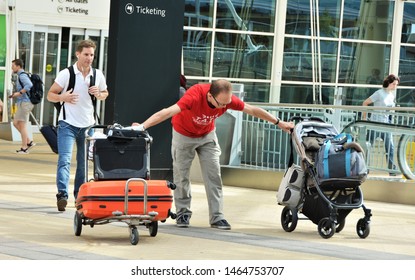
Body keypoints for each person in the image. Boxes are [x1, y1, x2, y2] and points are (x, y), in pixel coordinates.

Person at [132, 79, 294, 230]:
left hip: (207, 136)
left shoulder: (227, 99)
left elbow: (252, 110)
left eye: (227, 103)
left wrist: (280, 123)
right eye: (221, 104)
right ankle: (183, 214)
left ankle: (217, 217)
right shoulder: (194, 96)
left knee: (214, 175)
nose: (224, 107)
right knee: (181, 176)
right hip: (184, 135)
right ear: (210, 96)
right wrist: (143, 127)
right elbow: (167, 112)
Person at [47, 39, 109, 211]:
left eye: (92, 55)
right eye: (86, 54)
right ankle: (62, 195)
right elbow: (50, 94)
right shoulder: (67, 74)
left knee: (83, 163)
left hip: (88, 126)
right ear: (78, 54)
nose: (89, 58)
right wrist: (62, 97)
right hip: (67, 124)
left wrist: (100, 93)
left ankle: (79, 196)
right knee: (64, 160)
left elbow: (105, 93)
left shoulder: (97, 75)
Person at [362, 74, 399, 176]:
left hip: (385, 125)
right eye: (394, 84)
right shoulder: (379, 93)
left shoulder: (392, 95)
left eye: (396, 84)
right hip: (374, 124)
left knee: (390, 147)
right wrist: (365, 118)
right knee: (368, 146)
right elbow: (365, 103)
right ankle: (365, 168)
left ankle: (392, 170)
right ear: (388, 83)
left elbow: (390, 111)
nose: (395, 86)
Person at [9, 58, 36, 154]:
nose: (12, 68)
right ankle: (29, 141)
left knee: (21, 124)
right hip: (22, 102)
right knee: (16, 123)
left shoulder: (22, 75)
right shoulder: (20, 75)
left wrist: (19, 93)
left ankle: (24, 147)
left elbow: (29, 85)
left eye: (13, 66)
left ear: (18, 66)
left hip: (25, 102)